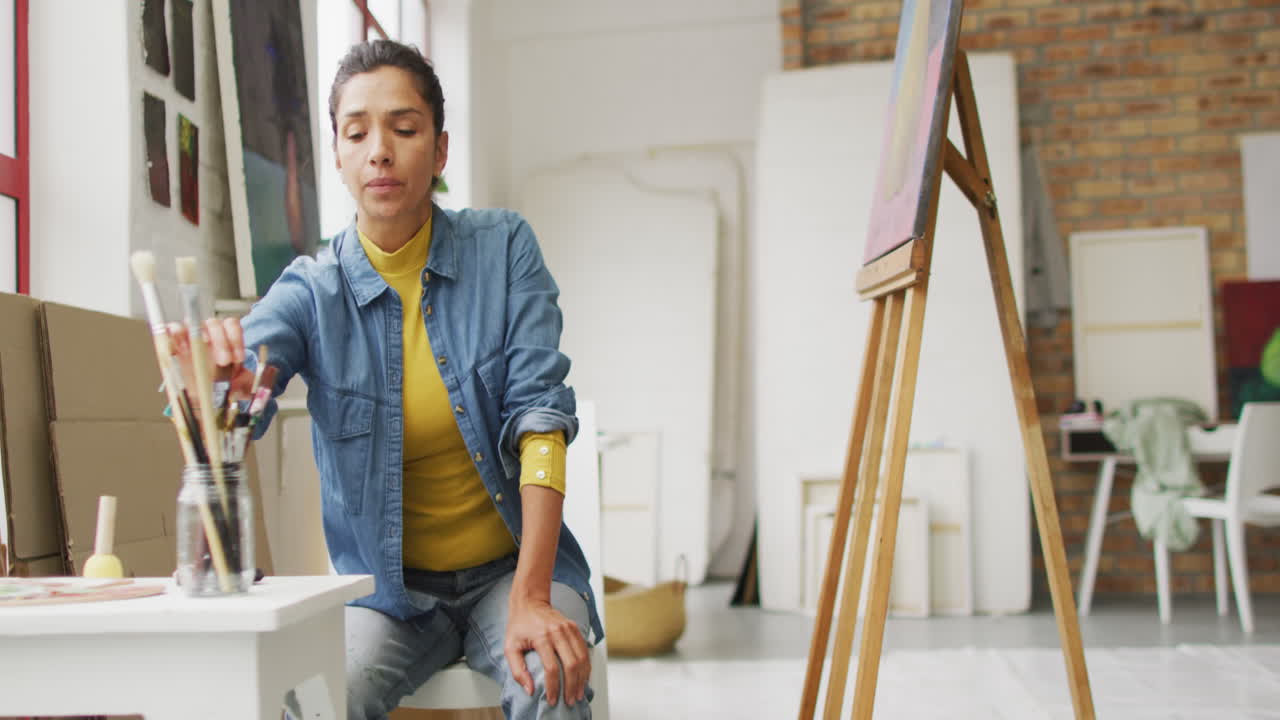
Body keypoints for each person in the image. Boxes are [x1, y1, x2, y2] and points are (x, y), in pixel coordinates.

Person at [170, 39, 600, 720]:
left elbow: (540, 419)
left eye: (404, 129)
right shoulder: (312, 290)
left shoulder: (505, 248)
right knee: (310, 702)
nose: (380, 150)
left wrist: (533, 593)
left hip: (511, 569)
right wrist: (217, 379)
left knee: (551, 678)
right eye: (357, 131)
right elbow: (239, 391)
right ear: (337, 155)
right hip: (388, 598)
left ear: (440, 149)